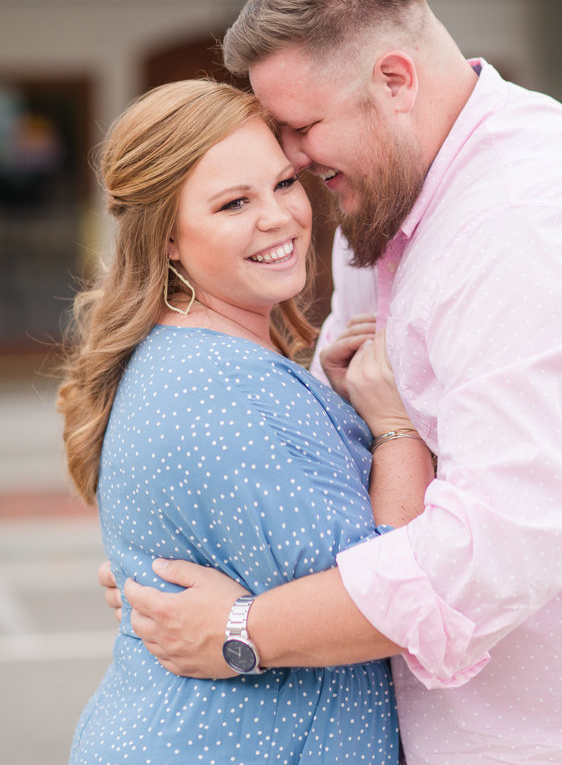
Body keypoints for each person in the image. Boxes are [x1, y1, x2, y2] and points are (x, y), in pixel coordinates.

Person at [113, 0, 562, 765]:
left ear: (394, 81)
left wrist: (242, 628)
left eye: (303, 128)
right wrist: (188, 565)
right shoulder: (387, 201)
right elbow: (344, 471)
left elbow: (491, 554)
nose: (293, 161)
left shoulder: (536, 226)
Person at [58, 77, 434, 765]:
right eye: (235, 203)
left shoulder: (201, 357)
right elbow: (390, 595)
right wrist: (395, 429)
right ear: (167, 239)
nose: (279, 217)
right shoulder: (224, 387)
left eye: (285, 184)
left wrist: (333, 406)